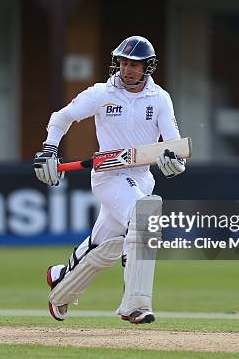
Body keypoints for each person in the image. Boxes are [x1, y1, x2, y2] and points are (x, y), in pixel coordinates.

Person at [34, 36, 186, 324]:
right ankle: (135, 305)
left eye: (134, 65)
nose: (127, 69)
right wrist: (49, 149)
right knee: (144, 218)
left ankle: (61, 283)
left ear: (147, 67)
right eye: (123, 62)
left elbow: (174, 148)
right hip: (110, 176)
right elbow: (60, 118)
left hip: (142, 178)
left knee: (103, 247)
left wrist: (174, 163)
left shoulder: (160, 98)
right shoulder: (102, 93)